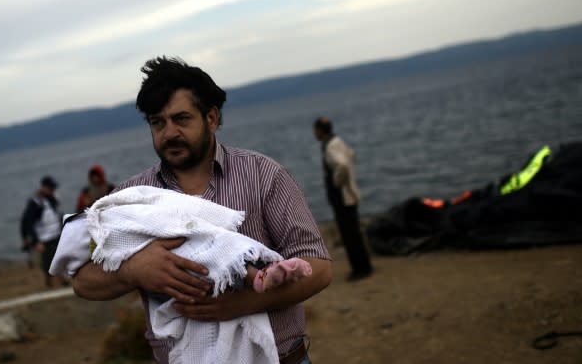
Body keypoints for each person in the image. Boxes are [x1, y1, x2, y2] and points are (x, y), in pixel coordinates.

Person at [71, 56, 332, 364]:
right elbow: (82, 281)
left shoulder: (263, 175)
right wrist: (133, 270)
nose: (168, 133)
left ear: (211, 117)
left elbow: (319, 267)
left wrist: (242, 303)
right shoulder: (130, 200)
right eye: (157, 122)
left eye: (181, 119)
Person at [313, 117, 373, 281]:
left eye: (315, 130)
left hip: (342, 196)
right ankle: (364, 265)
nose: (314, 133)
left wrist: (337, 181)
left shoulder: (330, 146)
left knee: (349, 233)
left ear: (320, 130)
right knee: (354, 231)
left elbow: (343, 165)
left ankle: (360, 269)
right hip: (348, 194)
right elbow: (350, 155)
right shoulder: (337, 141)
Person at [20, 175, 65, 287]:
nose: (52, 190)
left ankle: (62, 279)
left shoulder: (53, 199)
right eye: (50, 187)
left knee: (61, 257)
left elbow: (57, 216)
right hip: (45, 238)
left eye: (53, 187)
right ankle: (50, 283)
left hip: (56, 234)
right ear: (44, 187)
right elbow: (27, 222)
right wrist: (35, 241)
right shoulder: (36, 203)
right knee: (48, 262)